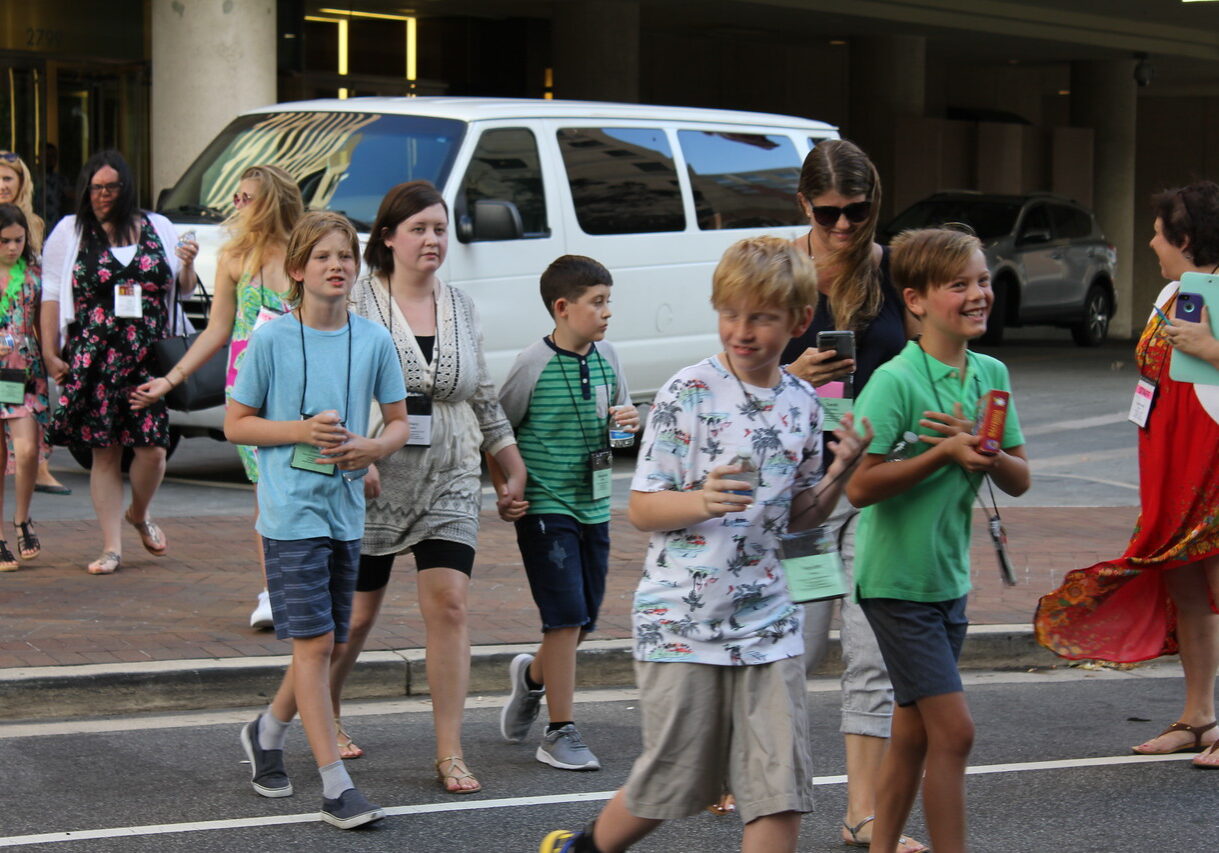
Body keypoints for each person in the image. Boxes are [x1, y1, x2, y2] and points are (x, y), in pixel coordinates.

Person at [540, 236, 872, 853]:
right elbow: (642, 508)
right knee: (677, 781)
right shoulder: (685, 393)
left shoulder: (804, 406)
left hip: (769, 623)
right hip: (682, 622)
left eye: (762, 317)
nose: (742, 331)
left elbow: (801, 520)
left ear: (800, 320)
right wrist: (702, 500)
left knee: (780, 789)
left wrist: (840, 473)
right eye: (731, 313)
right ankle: (580, 849)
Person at [326, 181, 527, 791]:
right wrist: (359, 457)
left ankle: (448, 750)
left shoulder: (461, 305)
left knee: (450, 606)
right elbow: (337, 385)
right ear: (388, 237)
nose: (432, 239)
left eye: (439, 228)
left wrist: (510, 464)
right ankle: (323, 713)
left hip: (452, 473)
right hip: (375, 477)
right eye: (418, 229)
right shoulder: (358, 300)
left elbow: (483, 394)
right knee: (357, 617)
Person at [846, 227, 1029, 853]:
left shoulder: (992, 372)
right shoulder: (896, 381)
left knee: (914, 735)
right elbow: (859, 487)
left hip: (948, 579)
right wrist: (943, 451)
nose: (979, 294)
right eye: (961, 285)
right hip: (895, 581)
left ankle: (881, 845)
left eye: (982, 281)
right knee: (955, 734)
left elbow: (1021, 477)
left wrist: (986, 449)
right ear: (916, 300)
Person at [226, 210, 408, 830]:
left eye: (347, 257)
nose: (338, 266)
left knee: (326, 642)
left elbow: (401, 422)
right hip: (289, 512)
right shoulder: (271, 339)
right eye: (324, 257)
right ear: (298, 270)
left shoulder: (374, 339)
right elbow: (237, 423)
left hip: (346, 509)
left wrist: (374, 449)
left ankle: (267, 730)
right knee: (314, 644)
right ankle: (336, 786)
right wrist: (300, 431)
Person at [1035, 181, 1219, 767]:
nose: (1150, 242)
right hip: (1169, 467)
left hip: (1212, 466)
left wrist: (1214, 350)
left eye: (1160, 234)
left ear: (1185, 239)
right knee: (1185, 586)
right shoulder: (1173, 293)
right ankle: (1199, 716)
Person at [780, 138, 924, 852]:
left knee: (871, 656)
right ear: (802, 204)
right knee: (795, 649)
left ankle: (861, 813)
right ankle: (753, 769)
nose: (842, 227)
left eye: (857, 211)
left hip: (878, 490)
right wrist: (791, 376)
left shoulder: (895, 269)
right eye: (829, 212)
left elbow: (931, 359)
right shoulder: (774, 272)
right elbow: (726, 380)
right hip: (803, 498)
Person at [131, 165, 304, 629]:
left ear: (269, 201)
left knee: (305, 487)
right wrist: (171, 380)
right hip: (248, 390)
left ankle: (304, 582)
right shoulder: (233, 257)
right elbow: (217, 331)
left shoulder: (305, 250)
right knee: (266, 491)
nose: (236, 204)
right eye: (236, 195)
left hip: (302, 384)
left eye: (246, 196)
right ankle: (273, 592)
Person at [496, 255, 639, 773]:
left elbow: (618, 438)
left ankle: (533, 678)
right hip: (545, 507)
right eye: (597, 303)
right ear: (562, 308)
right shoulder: (531, 364)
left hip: (594, 505)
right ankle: (560, 731)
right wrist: (506, 486)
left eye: (608, 302)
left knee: (583, 621)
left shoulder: (610, 359)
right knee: (565, 617)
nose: (606, 314)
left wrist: (628, 426)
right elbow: (498, 429)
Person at [39, 149, 199, 575]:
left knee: (153, 449)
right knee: (103, 452)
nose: (103, 195)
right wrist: (50, 351)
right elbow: (52, 293)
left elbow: (181, 292)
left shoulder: (158, 227)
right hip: (93, 355)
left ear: (126, 188)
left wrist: (188, 265)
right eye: (95, 188)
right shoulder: (70, 232)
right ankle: (111, 547)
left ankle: (139, 514)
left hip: (148, 354)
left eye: (111, 187)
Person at [0, 149, 71, 497]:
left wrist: (50, 349)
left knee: (27, 416)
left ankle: (37, 470)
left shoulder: (35, 223)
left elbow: (41, 287)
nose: (1, 185)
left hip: (22, 347)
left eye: (7, 178)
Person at [0, 204, 47, 569]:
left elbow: (45, 321)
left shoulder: (34, 273)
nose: (12, 248)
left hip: (24, 371)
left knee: (28, 449)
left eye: (18, 240)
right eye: (4, 241)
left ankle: (22, 518)